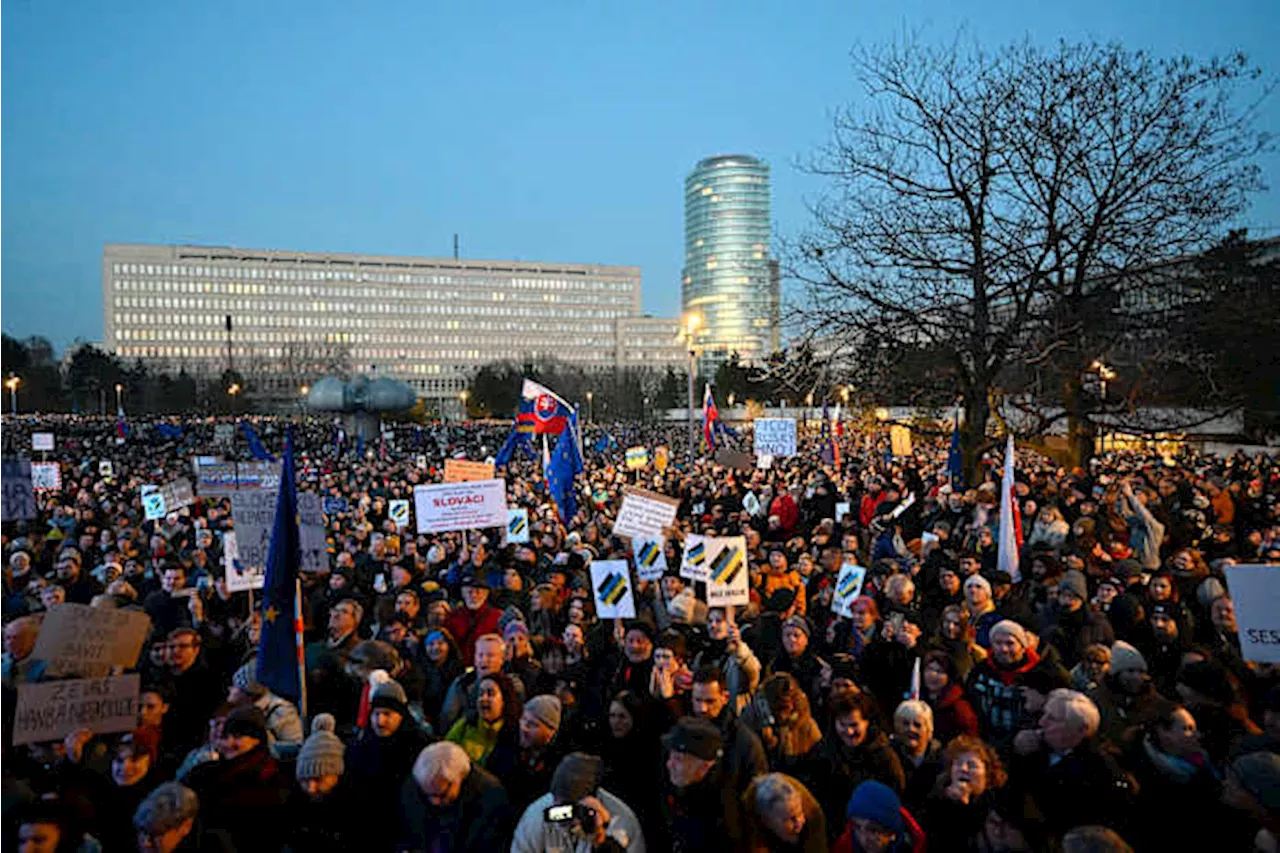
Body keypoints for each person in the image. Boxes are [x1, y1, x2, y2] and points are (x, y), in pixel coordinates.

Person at [1009, 689, 1134, 837]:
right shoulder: (1034, 745)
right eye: (1044, 715)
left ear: (1081, 730)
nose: (1042, 723)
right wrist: (1015, 750)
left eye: (1053, 719)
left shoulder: (1100, 769)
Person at [182, 705, 289, 852]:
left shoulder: (271, 778)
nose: (229, 743)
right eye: (226, 736)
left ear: (257, 740)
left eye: (238, 736)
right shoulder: (204, 773)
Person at [345, 675, 431, 852]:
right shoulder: (361, 748)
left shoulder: (419, 749)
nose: (380, 721)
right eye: (376, 714)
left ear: (401, 716)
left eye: (387, 714)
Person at [511, 751, 647, 853]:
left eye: (567, 805)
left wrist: (600, 840)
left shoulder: (621, 819)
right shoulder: (538, 813)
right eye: (556, 801)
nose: (559, 811)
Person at [964, 620, 1066, 750]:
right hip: (986, 740)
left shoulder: (1044, 673)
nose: (1004, 649)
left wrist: (1045, 702)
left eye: (1010, 643)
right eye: (998, 643)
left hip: (1029, 745)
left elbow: (1066, 706)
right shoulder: (980, 671)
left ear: (1022, 646)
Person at [397, 741, 515, 853]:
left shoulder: (491, 798)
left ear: (460, 778)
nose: (434, 802)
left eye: (442, 795)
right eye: (428, 795)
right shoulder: (416, 785)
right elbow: (405, 834)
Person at [654, 716, 742, 853]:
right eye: (670, 756)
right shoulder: (680, 786)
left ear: (704, 767)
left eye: (678, 759)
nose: (669, 764)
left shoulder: (721, 820)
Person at [280, 714, 355, 853]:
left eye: (318, 779)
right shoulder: (291, 807)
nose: (311, 788)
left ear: (337, 774)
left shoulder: (354, 810)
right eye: (304, 780)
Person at [689, 666, 769, 797]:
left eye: (710, 701)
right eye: (697, 700)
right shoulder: (686, 733)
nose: (702, 708)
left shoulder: (743, 740)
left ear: (725, 697)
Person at [486, 693, 569, 812]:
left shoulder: (557, 762)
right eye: (524, 720)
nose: (524, 728)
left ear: (551, 732)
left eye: (533, 725)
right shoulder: (507, 744)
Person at [740, 772, 828, 853]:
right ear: (767, 820)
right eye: (790, 819)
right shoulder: (750, 822)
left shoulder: (813, 816)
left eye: (800, 813)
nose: (799, 823)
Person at [831, 780, 925, 853]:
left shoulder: (912, 847)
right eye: (857, 827)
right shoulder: (844, 847)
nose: (863, 839)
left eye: (873, 830)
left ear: (891, 832)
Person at [443, 573, 504, 661]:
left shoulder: (497, 617)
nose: (473, 596)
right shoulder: (453, 616)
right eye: (469, 592)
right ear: (462, 593)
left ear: (486, 594)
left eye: (478, 592)